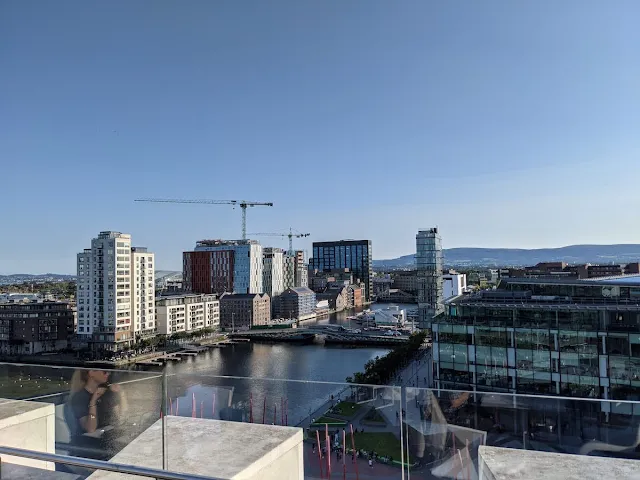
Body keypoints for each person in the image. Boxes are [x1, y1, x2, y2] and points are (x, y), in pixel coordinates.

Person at [68, 369, 126, 439]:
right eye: (104, 372)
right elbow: (91, 428)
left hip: (108, 435)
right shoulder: (79, 398)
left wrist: (120, 393)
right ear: (91, 373)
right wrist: (93, 401)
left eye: (109, 372)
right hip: (89, 440)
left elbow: (120, 417)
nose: (108, 374)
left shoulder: (106, 392)